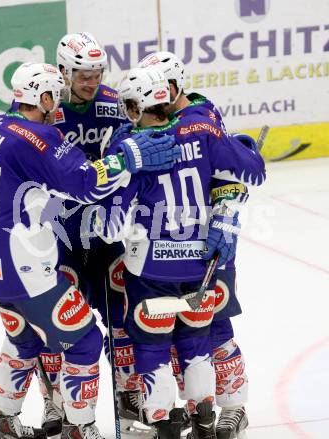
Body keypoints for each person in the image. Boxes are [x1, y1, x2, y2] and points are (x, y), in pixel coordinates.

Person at [0, 61, 179, 439]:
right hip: (20, 262)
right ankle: (79, 427)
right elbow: (87, 184)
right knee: (86, 338)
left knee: (23, 337)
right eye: (53, 97)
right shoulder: (38, 137)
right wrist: (128, 158)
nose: (57, 106)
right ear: (41, 97)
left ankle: (0, 419)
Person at [94, 66, 265, 439]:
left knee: (165, 343)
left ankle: (176, 418)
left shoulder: (140, 144)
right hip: (199, 257)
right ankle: (202, 416)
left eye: (130, 104)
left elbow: (109, 227)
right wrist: (245, 149)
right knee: (196, 339)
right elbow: (252, 171)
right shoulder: (202, 128)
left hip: (155, 266)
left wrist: (117, 173)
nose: (125, 112)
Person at [30, 32, 149, 437]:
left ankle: (127, 390)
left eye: (97, 72)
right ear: (63, 71)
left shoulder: (114, 103)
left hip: (103, 227)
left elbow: (134, 148)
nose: (91, 80)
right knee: (57, 320)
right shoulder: (46, 110)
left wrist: (119, 198)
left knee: (120, 310)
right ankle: (55, 400)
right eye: (82, 74)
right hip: (57, 232)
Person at [137, 51, 254, 439]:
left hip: (210, 242)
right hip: (174, 243)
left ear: (171, 87)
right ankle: (195, 408)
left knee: (217, 326)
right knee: (182, 332)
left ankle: (234, 407)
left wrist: (227, 216)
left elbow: (233, 178)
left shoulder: (202, 118)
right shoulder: (163, 121)